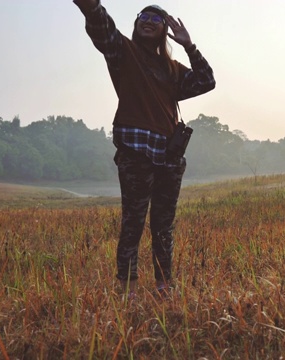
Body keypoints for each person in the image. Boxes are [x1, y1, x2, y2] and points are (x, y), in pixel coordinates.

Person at [73, 0, 216, 298]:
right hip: (135, 152)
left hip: (169, 157)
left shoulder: (173, 70)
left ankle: (164, 286)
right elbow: (99, 22)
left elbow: (206, 81)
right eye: (143, 16)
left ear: (165, 30)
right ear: (136, 24)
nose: (149, 20)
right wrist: (89, 5)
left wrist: (190, 46)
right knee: (133, 223)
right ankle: (128, 290)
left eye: (156, 18)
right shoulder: (122, 52)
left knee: (163, 226)